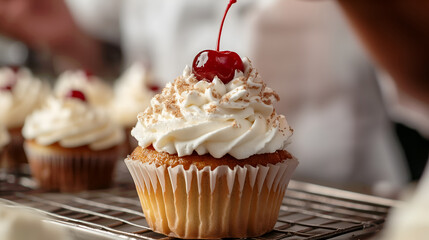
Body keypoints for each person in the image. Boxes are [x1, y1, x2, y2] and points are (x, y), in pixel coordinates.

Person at [0, 0, 411, 193]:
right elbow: (93, 36)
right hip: (171, 140)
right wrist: (54, 29)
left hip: (356, 192)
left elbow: (419, 76)